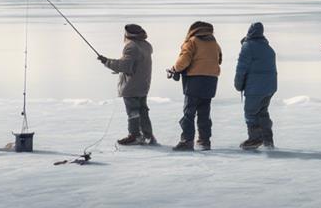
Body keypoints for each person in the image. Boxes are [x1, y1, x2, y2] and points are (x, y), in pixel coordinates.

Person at [168, 21, 222, 151]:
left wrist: (174, 69)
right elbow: (219, 59)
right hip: (211, 81)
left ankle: (187, 140)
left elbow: (183, 60)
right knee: (204, 112)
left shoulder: (192, 41)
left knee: (189, 112)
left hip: (194, 81)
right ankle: (204, 141)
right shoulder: (214, 43)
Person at [97, 24, 155, 145]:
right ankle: (148, 135)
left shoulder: (131, 47)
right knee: (143, 110)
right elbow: (134, 64)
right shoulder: (146, 45)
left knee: (133, 111)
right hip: (143, 84)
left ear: (127, 34)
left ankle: (134, 135)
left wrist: (106, 61)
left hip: (132, 86)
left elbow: (125, 66)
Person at [234, 22, 277, 150]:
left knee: (251, 113)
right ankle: (268, 140)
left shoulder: (248, 47)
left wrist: (238, 85)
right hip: (269, 88)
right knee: (263, 113)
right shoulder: (268, 48)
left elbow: (241, 68)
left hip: (255, 88)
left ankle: (255, 139)